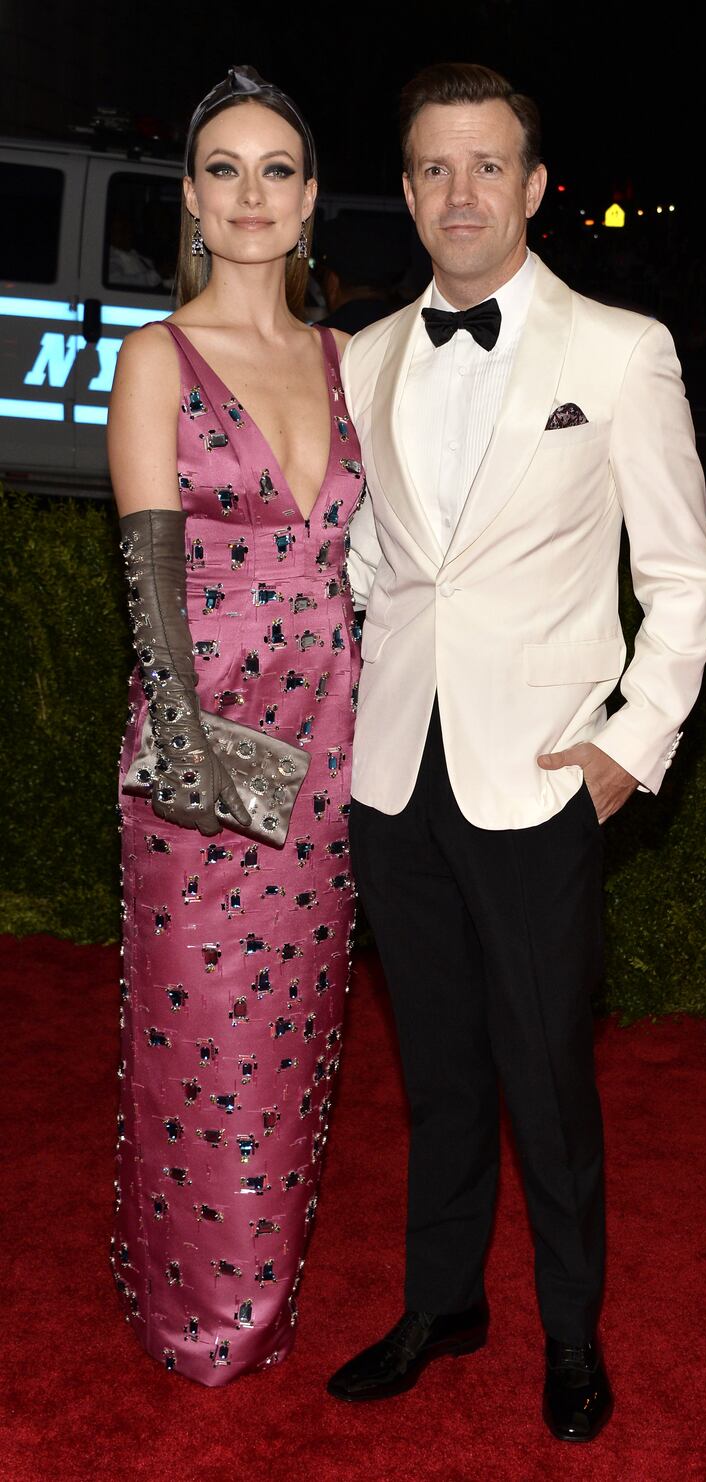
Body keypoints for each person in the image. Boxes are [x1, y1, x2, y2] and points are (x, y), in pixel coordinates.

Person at [327, 63, 706, 1442]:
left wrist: (633, 745)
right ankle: (447, 1301)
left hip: (545, 773)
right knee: (436, 1071)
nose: (460, 193)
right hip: (396, 775)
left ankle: (570, 1332)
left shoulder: (620, 349)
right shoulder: (363, 356)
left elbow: (684, 576)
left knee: (548, 1081)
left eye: (487, 165)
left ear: (538, 186)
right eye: (434, 167)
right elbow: (377, 567)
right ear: (411, 187)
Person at [108, 64, 363, 1386]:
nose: (251, 194)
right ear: (193, 203)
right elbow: (147, 584)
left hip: (333, 753)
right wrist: (196, 766)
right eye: (225, 169)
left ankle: (258, 1287)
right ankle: (203, 1313)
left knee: (293, 1046)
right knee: (200, 1042)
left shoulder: (343, 359)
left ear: (310, 202)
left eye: (278, 170)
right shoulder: (157, 359)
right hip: (206, 758)